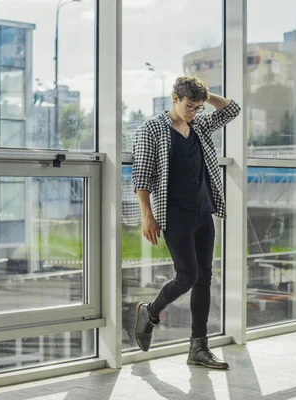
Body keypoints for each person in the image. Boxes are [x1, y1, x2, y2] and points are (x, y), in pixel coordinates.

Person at [131, 76, 241, 369]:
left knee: (205, 277)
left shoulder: (200, 124)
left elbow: (232, 110)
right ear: (174, 98)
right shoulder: (152, 128)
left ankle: (198, 348)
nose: (193, 112)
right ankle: (150, 312)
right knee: (188, 275)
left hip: (204, 211)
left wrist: (203, 96)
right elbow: (141, 174)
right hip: (175, 213)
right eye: (189, 106)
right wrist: (147, 215)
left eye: (198, 107)